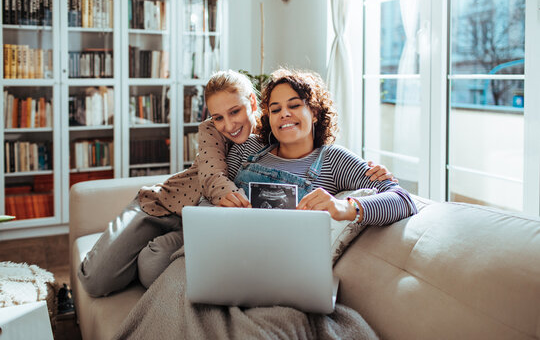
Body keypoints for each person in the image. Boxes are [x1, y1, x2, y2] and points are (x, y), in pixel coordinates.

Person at [78, 69, 395, 296]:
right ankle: (114, 253)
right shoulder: (230, 140)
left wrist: (350, 200)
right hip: (166, 207)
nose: (228, 124)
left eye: (294, 105)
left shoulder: (316, 152)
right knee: (97, 280)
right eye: (277, 108)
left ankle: (139, 258)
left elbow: (393, 195)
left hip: (225, 239)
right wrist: (226, 204)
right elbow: (213, 181)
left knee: (152, 263)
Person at [222, 68, 417, 227]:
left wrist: (344, 208)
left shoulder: (333, 160)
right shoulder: (246, 149)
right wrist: (221, 203)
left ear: (314, 113)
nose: (284, 114)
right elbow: (208, 193)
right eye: (275, 109)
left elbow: (403, 201)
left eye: (295, 105)